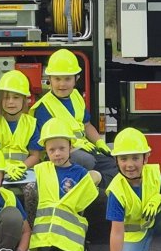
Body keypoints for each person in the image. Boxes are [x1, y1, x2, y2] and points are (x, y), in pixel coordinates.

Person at [30, 49, 117, 187]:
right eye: (57, 79)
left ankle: (97, 183)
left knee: (116, 163)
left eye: (67, 79)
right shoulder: (43, 107)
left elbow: (87, 125)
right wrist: (75, 147)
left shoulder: (76, 96)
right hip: (63, 152)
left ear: (76, 79)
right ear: (49, 79)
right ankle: (93, 187)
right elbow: (51, 144)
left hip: (84, 147)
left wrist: (100, 143)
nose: (62, 84)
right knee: (88, 162)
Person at [29, 118, 101, 251]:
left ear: (71, 147)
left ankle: (82, 249)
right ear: (45, 150)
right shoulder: (41, 170)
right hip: (47, 237)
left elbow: (93, 185)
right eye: (52, 149)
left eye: (62, 148)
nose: (57, 153)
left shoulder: (81, 173)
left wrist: (95, 176)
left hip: (70, 236)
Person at [0, 70, 42, 251]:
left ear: (25, 100)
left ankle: (32, 241)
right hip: (1, 171)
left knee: (32, 191)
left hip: (25, 171)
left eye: (16, 97)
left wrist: (21, 166)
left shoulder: (31, 123)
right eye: (6, 98)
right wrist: (4, 168)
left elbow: (36, 155)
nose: (11, 102)